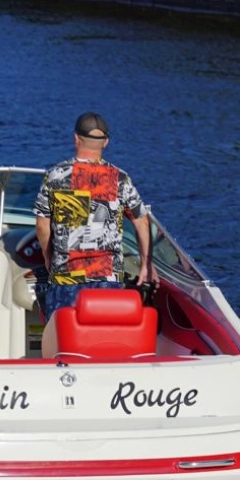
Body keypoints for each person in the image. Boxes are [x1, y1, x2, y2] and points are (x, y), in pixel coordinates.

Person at [33, 112, 154, 356]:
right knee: (105, 345)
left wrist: (48, 257)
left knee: (63, 346)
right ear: (106, 143)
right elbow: (141, 220)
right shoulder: (120, 179)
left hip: (67, 273)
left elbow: (42, 225)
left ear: (76, 139)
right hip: (108, 275)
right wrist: (146, 264)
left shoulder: (56, 175)